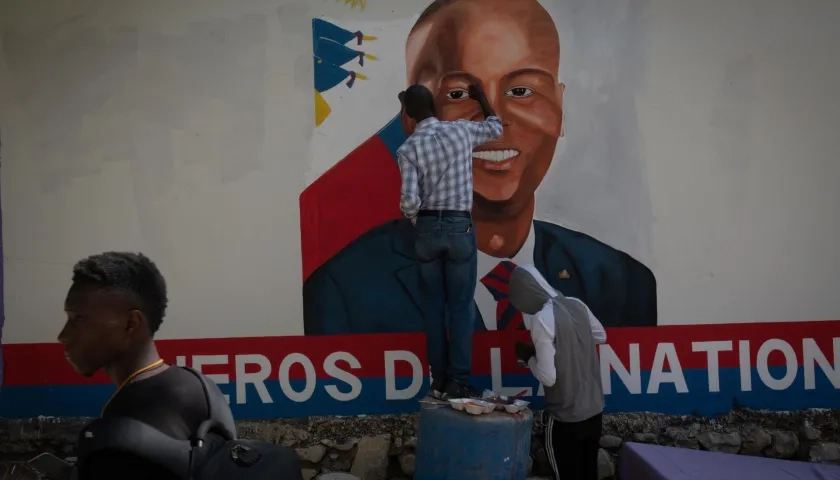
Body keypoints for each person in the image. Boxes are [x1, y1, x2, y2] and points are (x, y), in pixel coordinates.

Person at [302, 0, 656, 337]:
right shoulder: (344, 292)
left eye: (521, 90)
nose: (496, 120)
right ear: (411, 117)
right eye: (458, 95)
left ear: (559, 109)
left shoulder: (621, 283)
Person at [58, 252, 210, 480]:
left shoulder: (121, 432)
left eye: (78, 318)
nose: (63, 336)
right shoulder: (199, 384)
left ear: (131, 323)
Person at [397, 83, 503, 398]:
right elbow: (495, 128)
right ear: (434, 106)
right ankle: (459, 380)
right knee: (460, 308)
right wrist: (480, 96)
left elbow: (408, 201)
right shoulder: (459, 132)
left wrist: (423, 223)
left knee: (433, 309)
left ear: (411, 115)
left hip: (428, 229)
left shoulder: (409, 148)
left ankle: (439, 379)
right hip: (460, 228)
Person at [509, 264, 606, 480]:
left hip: (566, 419)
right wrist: (568, 346)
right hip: (594, 412)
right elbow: (600, 336)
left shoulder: (541, 319)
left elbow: (548, 377)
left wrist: (529, 358)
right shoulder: (576, 304)